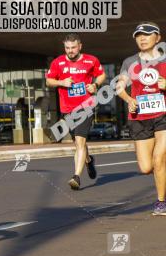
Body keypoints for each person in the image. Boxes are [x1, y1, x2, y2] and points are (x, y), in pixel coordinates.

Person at [115, 22, 166, 215]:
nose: (142, 38)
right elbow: (120, 86)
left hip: (163, 114)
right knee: (146, 167)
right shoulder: (130, 62)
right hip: (139, 116)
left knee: (159, 158)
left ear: (158, 38)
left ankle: (161, 202)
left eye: (147, 34)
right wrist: (128, 99)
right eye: (138, 35)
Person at [45, 33, 105, 190]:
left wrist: (95, 85)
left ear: (80, 46)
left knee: (79, 142)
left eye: (73, 48)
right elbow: (49, 81)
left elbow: (101, 75)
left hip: (86, 106)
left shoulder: (91, 60)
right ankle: (88, 161)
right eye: (67, 48)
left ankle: (76, 177)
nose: (70, 51)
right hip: (67, 109)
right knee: (79, 143)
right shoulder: (58, 62)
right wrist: (61, 82)